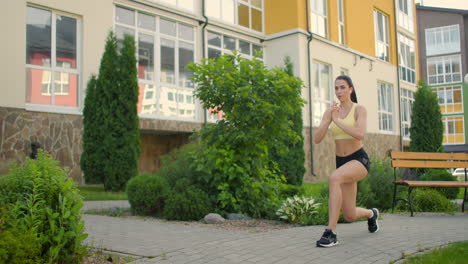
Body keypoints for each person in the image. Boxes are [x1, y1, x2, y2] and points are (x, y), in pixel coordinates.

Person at [314, 75, 379, 247]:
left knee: (334, 178)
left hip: (359, 159)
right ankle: (372, 214)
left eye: (342, 87)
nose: (339, 91)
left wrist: (337, 121)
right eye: (336, 88)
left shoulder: (359, 109)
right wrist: (328, 119)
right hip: (342, 162)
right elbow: (317, 139)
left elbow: (359, 133)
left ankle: (331, 232)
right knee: (349, 214)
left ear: (350, 89)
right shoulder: (331, 112)